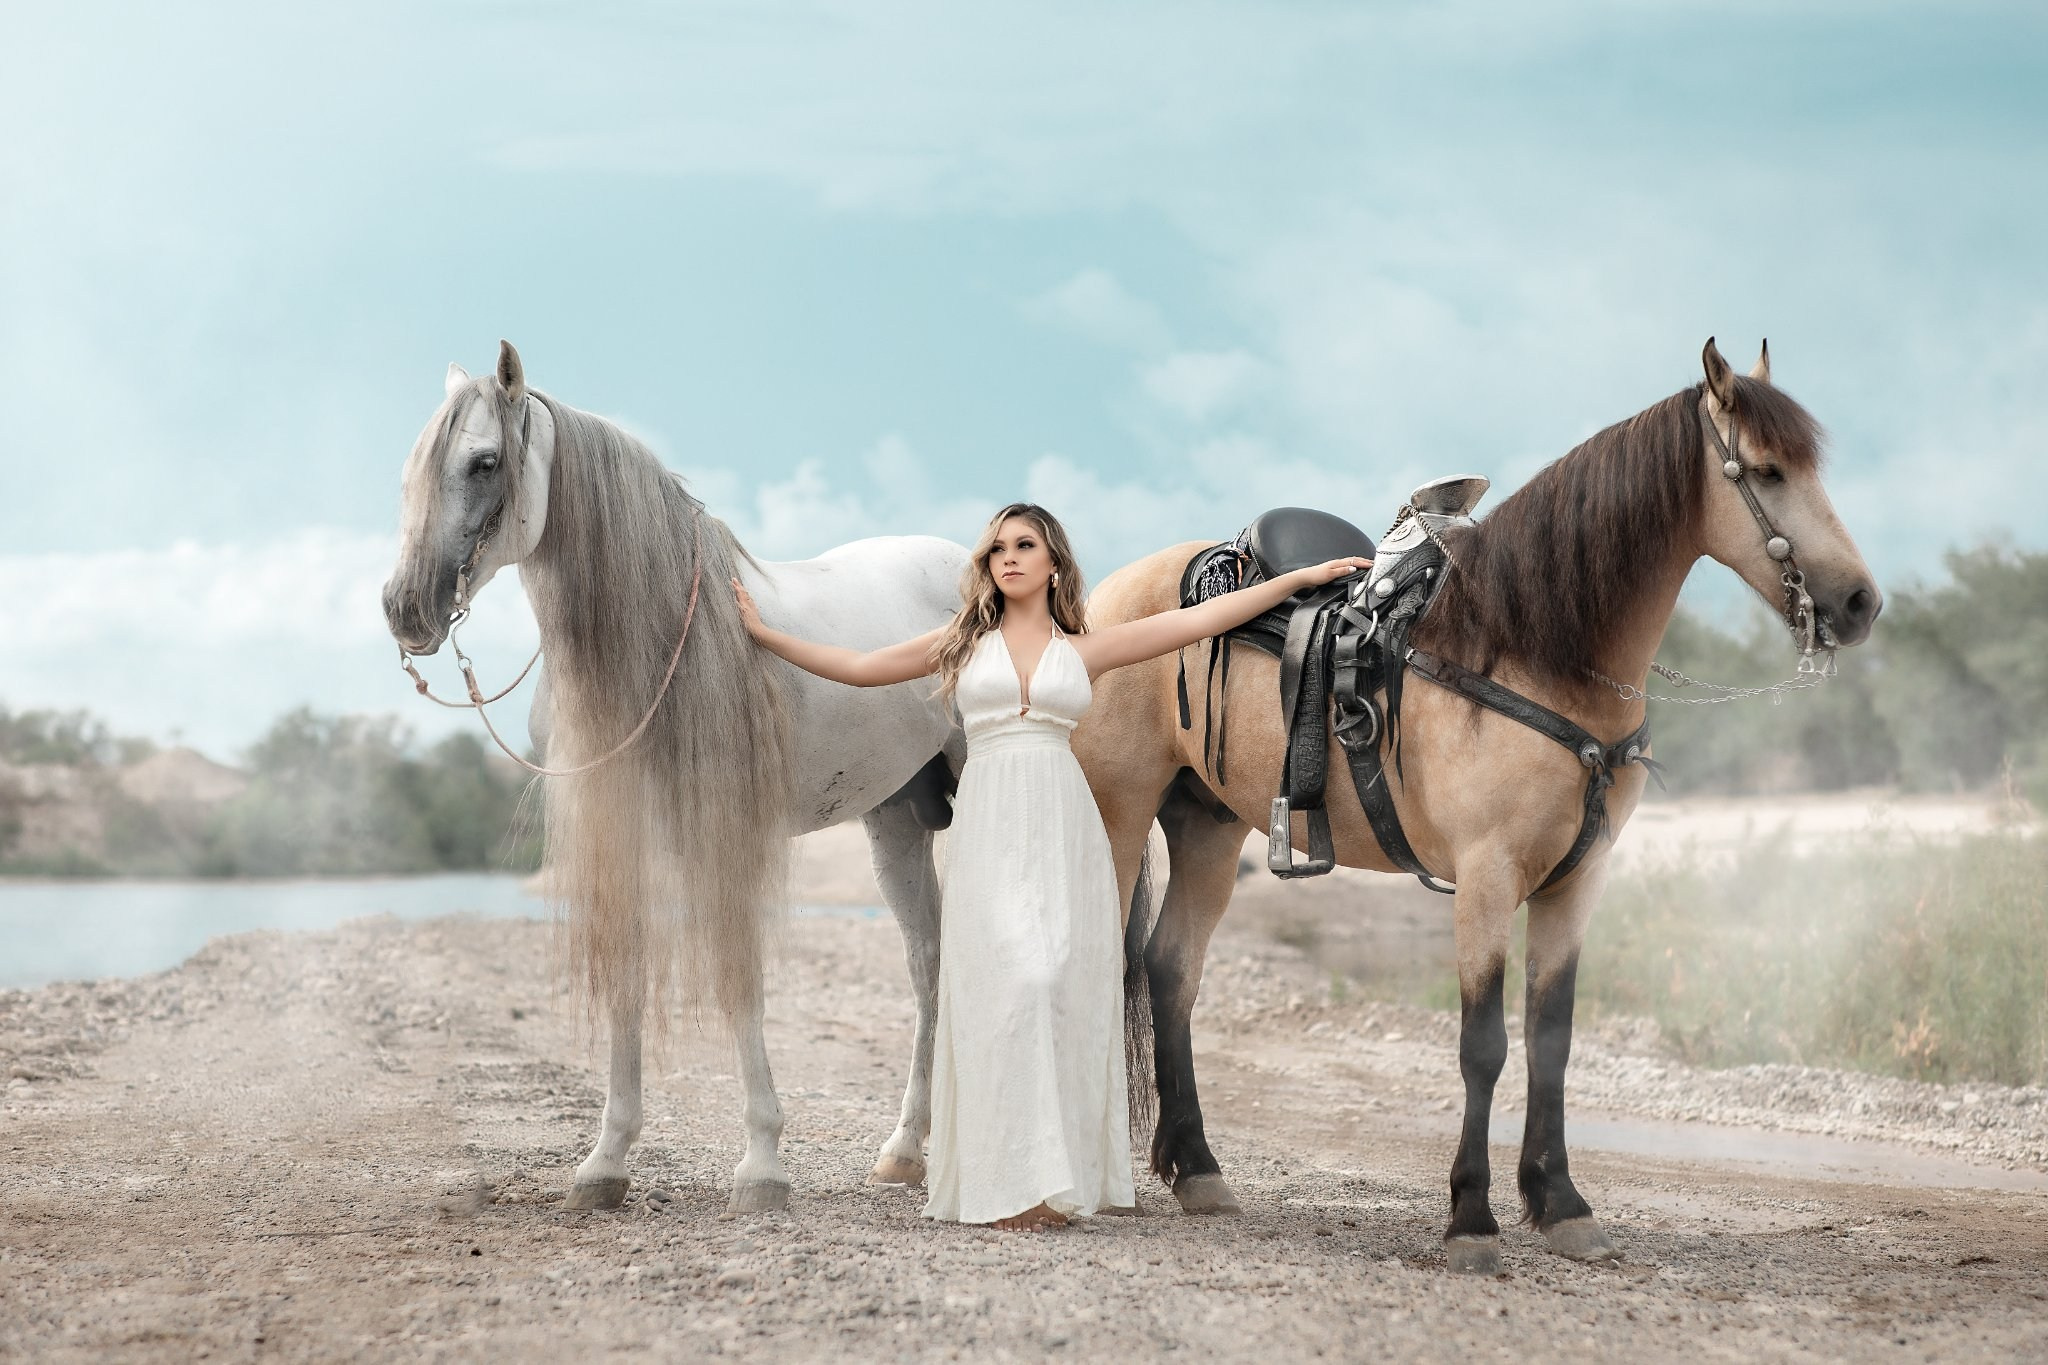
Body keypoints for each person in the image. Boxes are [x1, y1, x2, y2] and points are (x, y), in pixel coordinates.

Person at [733, 503, 1368, 1230]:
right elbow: (857, 667)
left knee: (1063, 984)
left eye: (1024, 545)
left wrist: (1307, 577)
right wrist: (762, 632)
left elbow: (1199, 622)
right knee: (1007, 987)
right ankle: (1002, 1178)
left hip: (1065, 824)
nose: (1008, 557)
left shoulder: (1085, 647)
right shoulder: (962, 644)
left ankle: (1053, 1177)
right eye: (998, 546)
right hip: (992, 822)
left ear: (1053, 563)